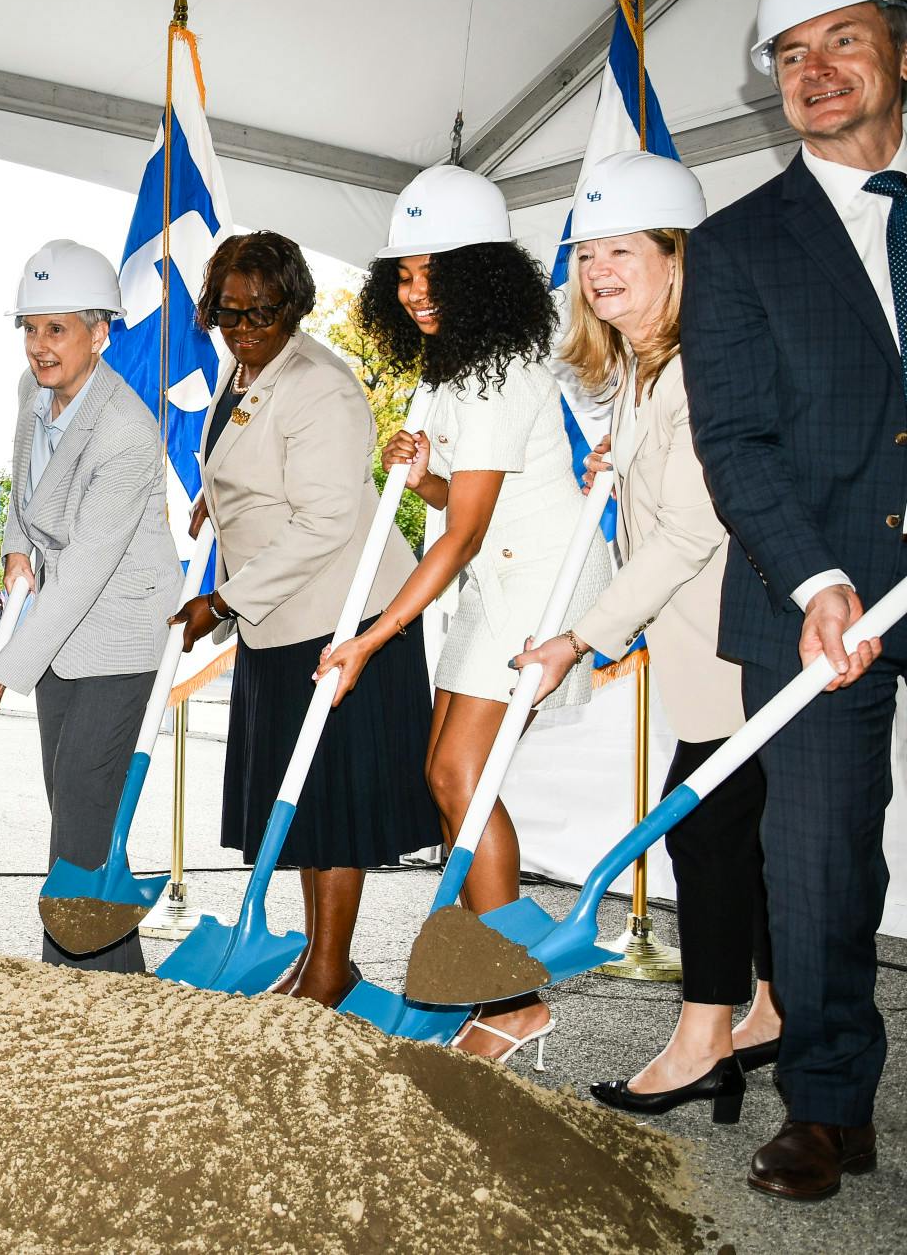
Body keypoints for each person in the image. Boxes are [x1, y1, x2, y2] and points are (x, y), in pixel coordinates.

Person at [679, 0, 907, 1201]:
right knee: (819, 862)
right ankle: (826, 1104)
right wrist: (818, 580)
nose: (813, 70)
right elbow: (734, 437)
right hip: (810, 586)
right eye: (788, 54)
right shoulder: (735, 247)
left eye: (841, 41)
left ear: (898, 54)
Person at [317, 164, 608, 1062]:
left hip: (533, 585)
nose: (414, 294)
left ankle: (516, 1000)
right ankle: (478, 974)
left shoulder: (495, 368)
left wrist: (372, 635)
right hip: (494, 576)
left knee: (460, 777)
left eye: (433, 275)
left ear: (481, 274)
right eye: (403, 276)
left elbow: (467, 530)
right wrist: (419, 466)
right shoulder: (455, 366)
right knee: (451, 776)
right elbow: (461, 497)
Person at [510, 152, 778, 1124]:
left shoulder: (705, 360)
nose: (599, 271)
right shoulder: (637, 366)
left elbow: (693, 528)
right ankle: (772, 1007)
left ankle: (704, 1038)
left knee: (702, 831)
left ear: (677, 257)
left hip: (739, 643)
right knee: (735, 839)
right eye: (586, 254)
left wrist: (580, 637)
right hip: (694, 645)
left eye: (622, 250)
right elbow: (648, 506)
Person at [171, 232, 439, 1004]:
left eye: (264, 309)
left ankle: (329, 968)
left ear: (294, 303)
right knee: (303, 804)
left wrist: (222, 599)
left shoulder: (319, 382)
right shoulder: (247, 364)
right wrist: (216, 499)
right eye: (230, 309)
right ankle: (324, 958)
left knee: (331, 801)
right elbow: (255, 462)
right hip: (280, 612)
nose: (246, 324)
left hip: (341, 615)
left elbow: (324, 520)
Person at [0, 240, 180, 973]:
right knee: (74, 807)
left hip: (119, 629)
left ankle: (79, 982)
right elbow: (25, 493)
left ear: (101, 330)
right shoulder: (33, 396)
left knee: (84, 808)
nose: (39, 346)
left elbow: (87, 567)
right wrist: (15, 548)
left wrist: (1, 667)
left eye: (57, 329)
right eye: (30, 327)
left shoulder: (125, 429)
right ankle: (114, 972)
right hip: (58, 620)